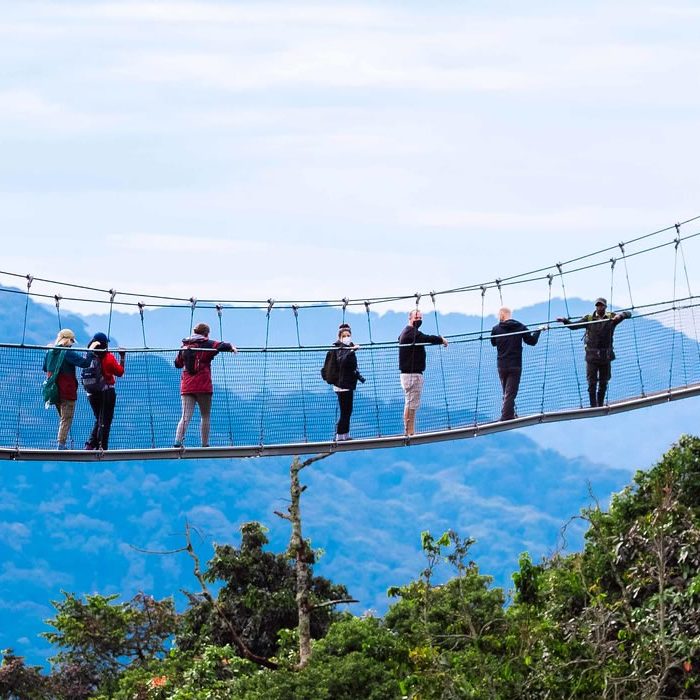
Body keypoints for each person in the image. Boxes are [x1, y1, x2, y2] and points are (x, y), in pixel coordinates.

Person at [557, 297, 632, 408]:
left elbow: (629, 313)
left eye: (601, 305)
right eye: (597, 305)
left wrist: (620, 316)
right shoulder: (589, 318)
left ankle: (600, 405)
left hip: (605, 356)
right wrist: (565, 321)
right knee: (591, 383)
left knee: (603, 382)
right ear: (595, 307)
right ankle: (593, 406)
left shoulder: (611, 318)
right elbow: (574, 326)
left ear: (605, 307)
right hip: (591, 357)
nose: (599, 307)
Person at [174, 322, 236, 448]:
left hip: (187, 387)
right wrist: (232, 347)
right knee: (205, 416)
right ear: (206, 334)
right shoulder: (207, 344)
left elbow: (177, 364)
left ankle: (177, 442)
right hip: (203, 386)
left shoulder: (185, 345)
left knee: (185, 417)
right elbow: (221, 345)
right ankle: (204, 444)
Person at [398, 309, 448, 436]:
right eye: (416, 317)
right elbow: (427, 338)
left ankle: (409, 430)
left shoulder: (405, 332)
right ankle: (409, 432)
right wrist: (441, 339)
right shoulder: (411, 333)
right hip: (412, 375)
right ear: (409, 318)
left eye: (420, 317)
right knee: (412, 405)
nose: (418, 320)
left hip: (408, 374)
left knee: (409, 403)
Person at [490, 308, 544, 421]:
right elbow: (532, 341)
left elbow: (493, 343)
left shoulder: (495, 329)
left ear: (501, 315)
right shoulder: (520, 327)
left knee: (506, 391)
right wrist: (538, 330)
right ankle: (506, 416)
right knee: (511, 391)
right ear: (509, 315)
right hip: (515, 364)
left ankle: (509, 413)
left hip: (501, 365)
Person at [42, 328, 91, 450]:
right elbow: (85, 363)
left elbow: (45, 367)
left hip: (54, 392)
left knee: (63, 419)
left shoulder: (50, 352)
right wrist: (91, 351)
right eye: (72, 341)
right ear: (68, 340)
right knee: (66, 419)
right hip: (67, 391)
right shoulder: (67, 353)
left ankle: (61, 442)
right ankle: (61, 444)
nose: (72, 344)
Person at [84, 332, 126, 450]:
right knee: (106, 420)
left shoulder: (88, 356)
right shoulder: (108, 357)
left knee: (99, 418)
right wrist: (122, 356)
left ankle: (91, 444)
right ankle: (102, 446)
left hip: (91, 393)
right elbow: (120, 372)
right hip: (106, 392)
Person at [332, 323, 364, 441]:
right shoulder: (338, 347)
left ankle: (345, 434)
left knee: (348, 410)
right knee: (345, 411)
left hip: (348, 383)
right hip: (341, 385)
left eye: (348, 335)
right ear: (340, 337)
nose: (347, 337)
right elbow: (342, 361)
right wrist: (351, 351)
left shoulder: (349, 346)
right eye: (344, 335)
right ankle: (340, 436)